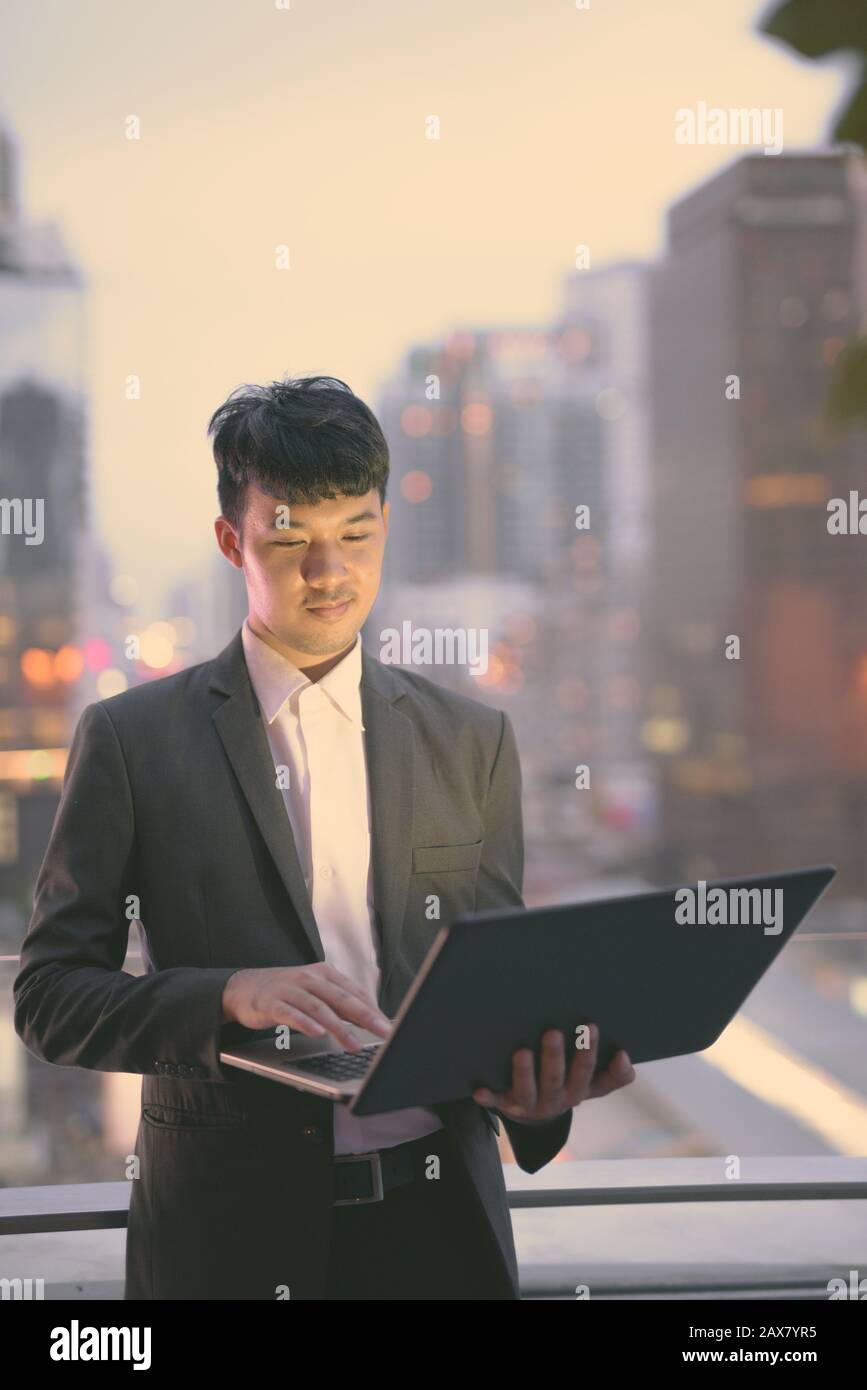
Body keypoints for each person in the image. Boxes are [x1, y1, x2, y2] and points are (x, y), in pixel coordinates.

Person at [14, 375, 635, 1301]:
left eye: (356, 534)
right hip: (228, 1240)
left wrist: (540, 1097)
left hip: (440, 1235)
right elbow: (51, 996)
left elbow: (498, 981)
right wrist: (231, 995)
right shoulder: (132, 742)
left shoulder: (472, 740)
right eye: (291, 539)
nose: (329, 572)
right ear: (233, 541)